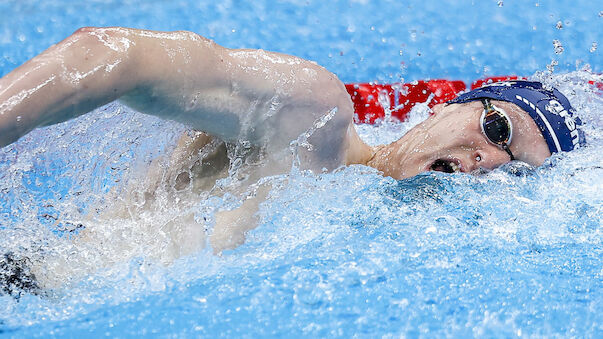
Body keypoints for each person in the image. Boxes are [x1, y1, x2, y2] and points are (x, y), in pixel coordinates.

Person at [0, 27, 585, 293]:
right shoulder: (312, 118)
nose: (485, 161)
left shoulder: (375, 265)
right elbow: (113, 56)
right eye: (497, 127)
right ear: (448, 107)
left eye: (513, 170)